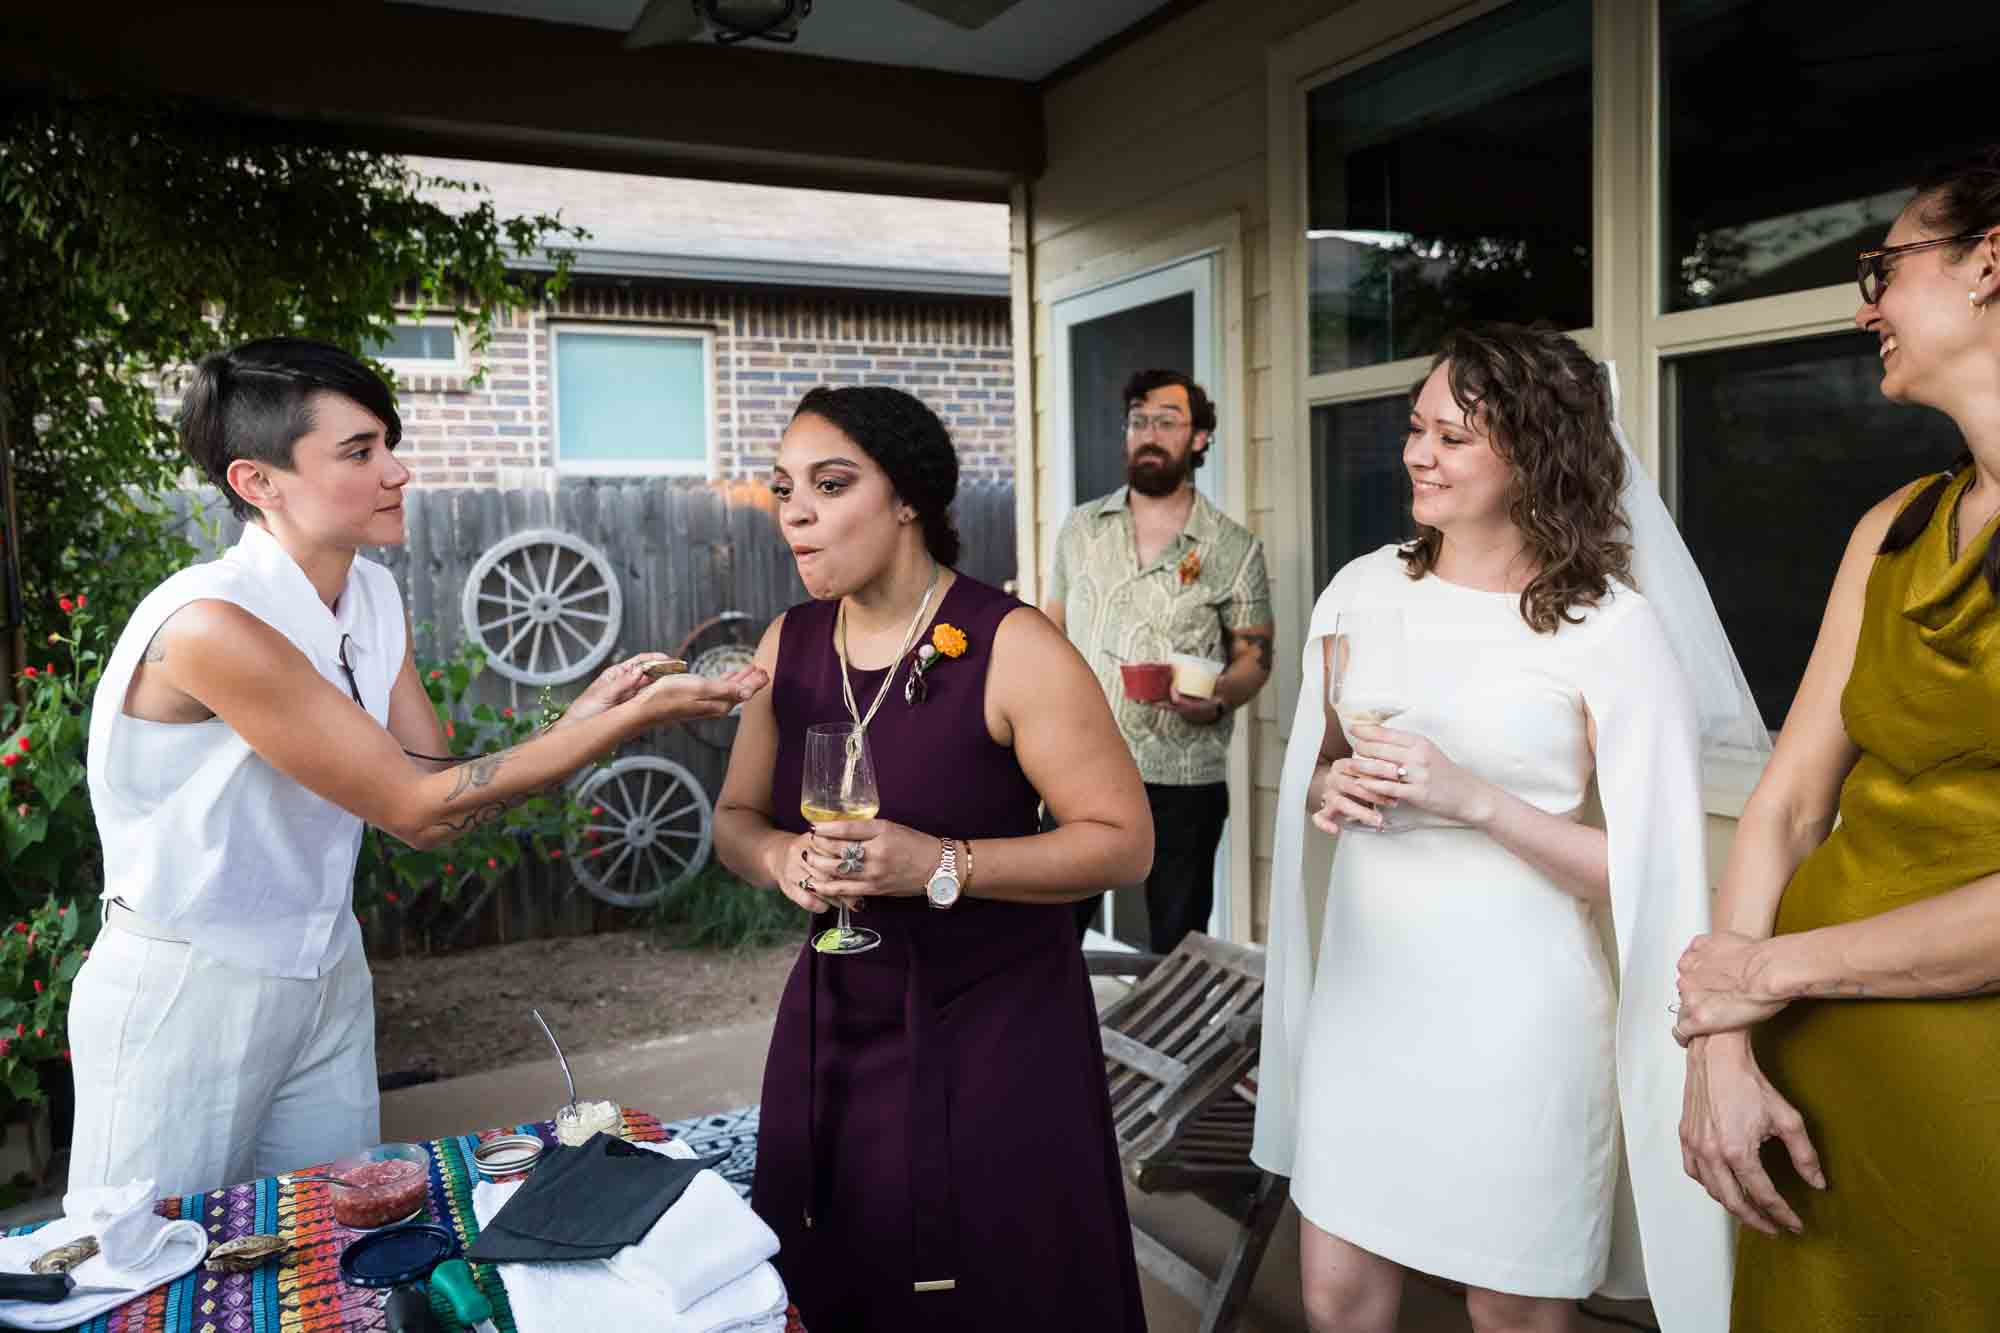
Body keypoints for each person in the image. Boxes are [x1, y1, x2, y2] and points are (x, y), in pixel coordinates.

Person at [68, 337, 765, 1199]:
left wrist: (583, 717)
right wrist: (623, 724)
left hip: (326, 970)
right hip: (188, 984)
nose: (398, 471)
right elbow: (417, 808)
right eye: (360, 452)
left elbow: (446, 793)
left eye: (388, 444)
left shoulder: (370, 595)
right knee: (136, 1271)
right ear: (258, 483)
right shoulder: (212, 625)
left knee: (333, 1243)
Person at [1254, 324, 1757, 1333]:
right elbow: (1315, 768)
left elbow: (1646, 876)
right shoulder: (1359, 590)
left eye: (1451, 437)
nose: (1415, 455)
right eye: (1414, 428)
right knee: (1334, 1295)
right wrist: (1328, 788)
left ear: (1532, 453)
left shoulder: (1608, 630)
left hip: (1517, 1024)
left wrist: (1471, 798)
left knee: (1508, 1306)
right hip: (1367, 998)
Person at [713, 385, 1153, 1331]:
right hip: (834, 1026)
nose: (795, 511)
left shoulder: (1011, 643)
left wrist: (941, 864)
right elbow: (735, 818)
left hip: (995, 1035)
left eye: (830, 485)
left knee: (997, 1289)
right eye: (784, 487)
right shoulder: (787, 643)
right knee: (834, 1276)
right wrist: (781, 856)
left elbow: (1124, 841)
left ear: (907, 496)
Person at [1673, 148, 2000, 1330]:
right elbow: (1785, 806)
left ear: (1988, 263)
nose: (1865, 304)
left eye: (1886, 266)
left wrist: (1762, 973)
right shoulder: (1890, 527)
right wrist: (1717, 1055)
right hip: (1801, 1095)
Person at [1045, 369, 1272, 952]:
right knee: (1048, 934)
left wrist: (1217, 696)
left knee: (1177, 943)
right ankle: (1050, 1043)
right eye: (1139, 421)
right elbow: (1050, 632)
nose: (1149, 433)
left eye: (1167, 421)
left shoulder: (1233, 546)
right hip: (1082, 765)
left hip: (1185, 777)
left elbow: (1255, 655)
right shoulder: (1080, 529)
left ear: (1199, 439)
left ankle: (1173, 1046)